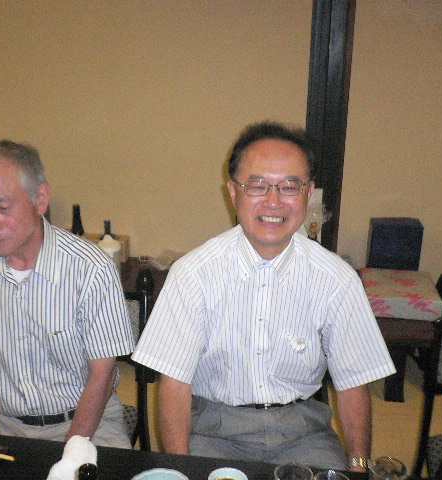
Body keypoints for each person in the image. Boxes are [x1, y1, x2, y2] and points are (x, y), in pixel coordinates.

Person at [132, 122, 396, 471]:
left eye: (290, 186)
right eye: (257, 185)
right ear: (233, 192)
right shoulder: (193, 274)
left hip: (304, 433)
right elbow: (174, 385)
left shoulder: (337, 280)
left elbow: (353, 384)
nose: (273, 201)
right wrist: (181, 471)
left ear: (309, 193)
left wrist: (359, 468)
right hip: (213, 430)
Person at [0, 140, 134, 446]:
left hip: (86, 420)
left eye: (3, 207)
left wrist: (72, 450)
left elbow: (104, 374)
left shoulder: (91, 269)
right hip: (1, 418)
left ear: (40, 199)